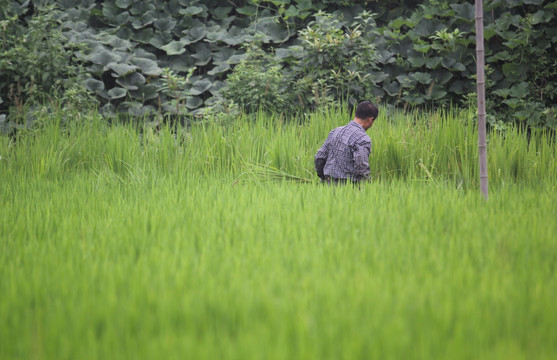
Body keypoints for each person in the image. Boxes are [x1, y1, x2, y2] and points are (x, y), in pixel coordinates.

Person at [314, 101, 378, 184]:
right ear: (370, 119)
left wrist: (323, 177)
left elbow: (319, 157)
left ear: (356, 114)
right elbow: (361, 166)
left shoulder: (335, 131)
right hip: (349, 186)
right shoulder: (362, 138)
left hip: (328, 184)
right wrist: (367, 186)